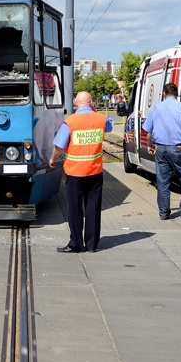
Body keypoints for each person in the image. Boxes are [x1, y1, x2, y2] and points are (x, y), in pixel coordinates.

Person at [49, 92, 114, 253]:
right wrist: (95, 111)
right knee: (93, 208)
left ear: (76, 104)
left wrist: (53, 159)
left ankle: (77, 244)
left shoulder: (70, 122)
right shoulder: (101, 119)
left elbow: (59, 146)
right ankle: (92, 245)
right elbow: (110, 125)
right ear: (91, 103)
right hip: (94, 171)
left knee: (75, 209)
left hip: (75, 173)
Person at [143, 83, 181, 221]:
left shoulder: (156, 108)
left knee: (163, 182)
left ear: (164, 93)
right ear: (177, 94)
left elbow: (148, 132)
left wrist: (150, 146)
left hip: (161, 149)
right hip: (179, 148)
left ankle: (163, 213)